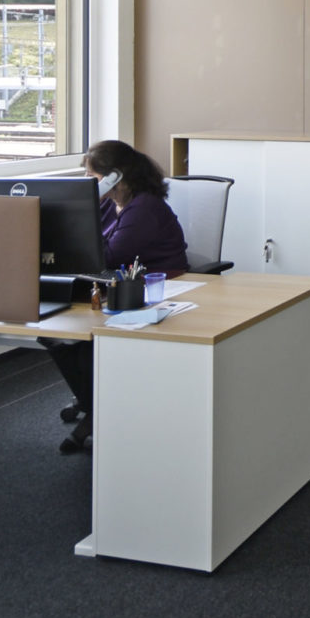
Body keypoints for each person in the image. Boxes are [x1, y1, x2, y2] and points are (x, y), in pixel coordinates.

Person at [45, 139, 189, 453]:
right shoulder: (109, 203)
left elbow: (111, 255)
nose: (87, 182)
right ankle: (94, 403)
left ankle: (97, 412)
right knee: (54, 335)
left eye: (92, 176)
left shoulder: (144, 207)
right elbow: (87, 246)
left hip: (155, 288)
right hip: (112, 286)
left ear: (115, 176)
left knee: (87, 343)